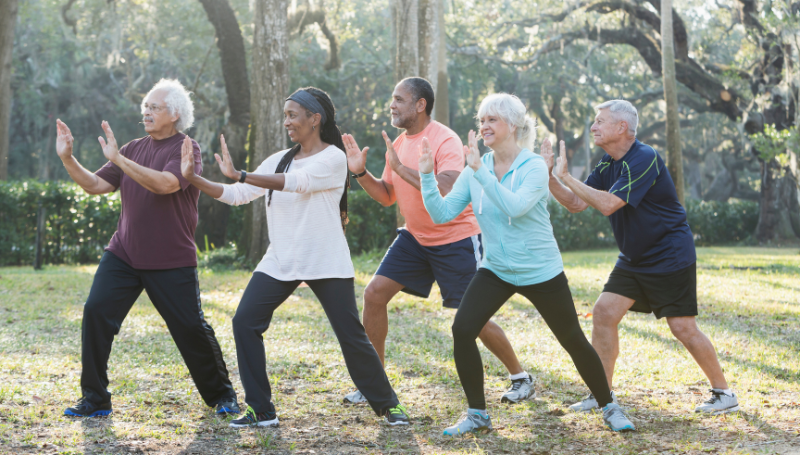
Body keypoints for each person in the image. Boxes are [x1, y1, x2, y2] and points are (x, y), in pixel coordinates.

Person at [180, 87, 410, 428]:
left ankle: (388, 405)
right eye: (285, 115)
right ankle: (261, 409)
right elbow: (238, 194)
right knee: (245, 322)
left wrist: (241, 173)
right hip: (281, 260)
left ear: (314, 119)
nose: (286, 122)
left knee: (351, 335)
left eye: (292, 115)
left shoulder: (333, 158)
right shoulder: (279, 159)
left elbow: (297, 183)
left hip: (325, 259)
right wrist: (194, 178)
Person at [418, 93, 635, 435]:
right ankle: (477, 413)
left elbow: (515, 207)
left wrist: (480, 172)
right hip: (497, 270)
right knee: (462, 330)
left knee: (572, 339)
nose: (484, 126)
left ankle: (609, 406)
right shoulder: (477, 167)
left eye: (492, 119)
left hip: (540, 271)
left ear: (514, 126)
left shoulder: (533, 166)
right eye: (481, 120)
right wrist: (427, 176)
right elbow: (442, 213)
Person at [341, 77, 533, 406]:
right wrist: (360, 173)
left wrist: (401, 169)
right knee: (374, 294)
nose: (392, 105)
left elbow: (446, 186)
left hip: (455, 237)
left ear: (420, 104)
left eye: (399, 99)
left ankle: (520, 377)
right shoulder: (398, 145)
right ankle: (374, 382)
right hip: (415, 237)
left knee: (474, 318)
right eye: (393, 98)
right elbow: (387, 196)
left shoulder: (443, 138)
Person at [55, 79, 239, 418]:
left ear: (175, 114)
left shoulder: (187, 148)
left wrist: (120, 161)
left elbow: (166, 185)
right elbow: (96, 185)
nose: (146, 112)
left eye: (154, 107)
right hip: (124, 253)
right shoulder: (131, 148)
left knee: (190, 328)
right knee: (95, 311)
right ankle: (95, 398)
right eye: (145, 107)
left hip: (170, 258)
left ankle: (222, 396)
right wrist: (68, 158)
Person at [543, 99, 739, 415]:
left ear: (622, 127)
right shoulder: (607, 163)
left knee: (683, 328)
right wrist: (550, 175)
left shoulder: (644, 157)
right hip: (634, 257)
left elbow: (608, 204)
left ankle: (724, 393)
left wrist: (567, 177)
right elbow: (577, 203)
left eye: (599, 121)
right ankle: (601, 394)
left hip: (669, 254)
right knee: (604, 312)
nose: (593, 126)